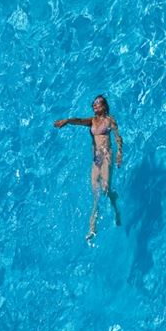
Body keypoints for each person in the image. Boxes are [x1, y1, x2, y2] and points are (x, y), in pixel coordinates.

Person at [54, 95, 122, 240]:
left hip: (107, 155)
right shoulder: (92, 121)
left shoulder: (110, 120)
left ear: (104, 106)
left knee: (104, 188)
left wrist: (119, 154)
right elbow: (78, 120)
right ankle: (92, 228)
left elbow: (117, 137)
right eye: (93, 103)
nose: (94, 105)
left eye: (97, 103)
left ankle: (115, 206)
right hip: (97, 158)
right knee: (96, 192)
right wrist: (67, 121)